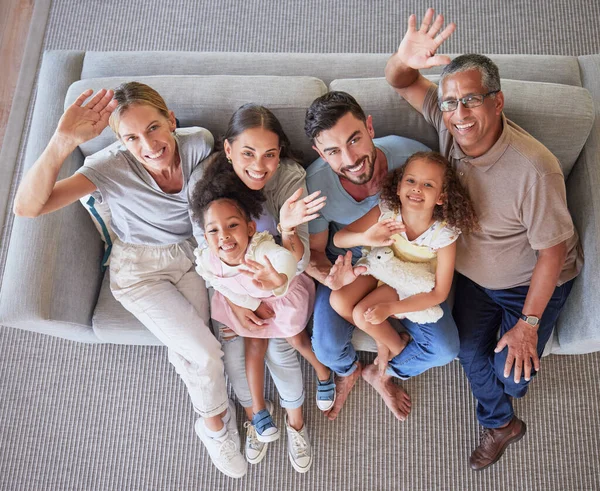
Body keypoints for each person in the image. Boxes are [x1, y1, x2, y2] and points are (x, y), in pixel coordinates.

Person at [12, 83, 248, 478]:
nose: (150, 145)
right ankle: (214, 429)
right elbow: (26, 208)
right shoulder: (109, 167)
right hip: (140, 270)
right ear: (120, 141)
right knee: (206, 353)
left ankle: (219, 405)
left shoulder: (197, 144)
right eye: (132, 138)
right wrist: (62, 141)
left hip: (189, 256)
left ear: (171, 119)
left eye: (155, 128)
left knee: (194, 345)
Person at [384, 8, 583, 470]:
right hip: (474, 278)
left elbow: (553, 253)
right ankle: (501, 425)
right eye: (451, 102)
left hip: (530, 280)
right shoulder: (448, 122)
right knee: (471, 355)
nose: (459, 114)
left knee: (511, 375)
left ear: (498, 102)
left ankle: (507, 402)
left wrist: (528, 325)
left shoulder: (534, 168)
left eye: (471, 100)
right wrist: (404, 57)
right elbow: (400, 81)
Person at [188, 103, 330, 472]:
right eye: (248, 153)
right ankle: (256, 418)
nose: (259, 165)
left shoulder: (288, 178)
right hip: (231, 287)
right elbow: (207, 247)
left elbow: (298, 262)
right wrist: (236, 303)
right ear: (228, 149)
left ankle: (296, 423)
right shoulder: (204, 181)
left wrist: (285, 233)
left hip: (280, 279)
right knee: (233, 354)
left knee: (281, 353)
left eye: (270, 154)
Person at [303, 91, 433, 422]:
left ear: (370, 127)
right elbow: (317, 252)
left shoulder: (412, 159)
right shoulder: (316, 184)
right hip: (349, 263)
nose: (349, 158)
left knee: (443, 350)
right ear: (320, 153)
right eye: (333, 151)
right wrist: (332, 277)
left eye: (354, 139)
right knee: (327, 349)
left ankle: (385, 371)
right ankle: (351, 371)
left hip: (405, 259)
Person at [330, 152, 477, 379]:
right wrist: (366, 238)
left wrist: (392, 308)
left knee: (362, 314)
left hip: (408, 280)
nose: (417, 188)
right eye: (411, 181)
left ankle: (391, 359)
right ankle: (390, 343)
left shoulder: (443, 234)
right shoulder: (388, 212)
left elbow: (439, 293)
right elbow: (339, 239)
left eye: (428, 184)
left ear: (441, 197)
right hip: (382, 265)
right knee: (337, 300)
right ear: (398, 187)